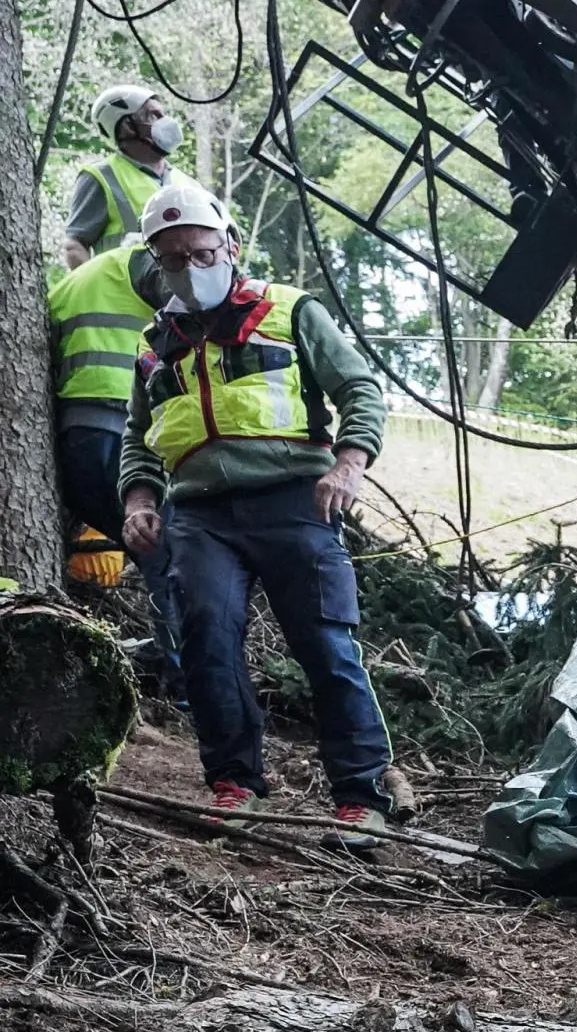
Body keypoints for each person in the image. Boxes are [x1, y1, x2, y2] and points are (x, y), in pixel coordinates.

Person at [116, 178, 414, 829]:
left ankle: (362, 795)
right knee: (206, 640)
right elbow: (138, 442)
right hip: (198, 514)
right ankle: (233, 784)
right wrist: (139, 500)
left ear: (230, 245)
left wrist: (350, 462)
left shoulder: (290, 311)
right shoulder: (152, 345)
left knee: (326, 645)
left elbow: (360, 389)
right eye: (172, 260)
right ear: (155, 263)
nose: (190, 270)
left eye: (200, 254)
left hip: (294, 501)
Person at [45, 232, 184, 671]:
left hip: (76, 440)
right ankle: (183, 671)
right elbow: (196, 301)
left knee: (153, 545)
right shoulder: (139, 262)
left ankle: (169, 657)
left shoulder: (64, 287)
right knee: (169, 545)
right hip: (118, 429)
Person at [65, 82, 182, 268]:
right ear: (127, 126)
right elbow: (74, 246)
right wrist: (98, 292)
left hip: (180, 294)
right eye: (154, 115)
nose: (166, 121)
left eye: (164, 114)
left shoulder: (185, 182)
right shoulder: (102, 176)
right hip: (125, 294)